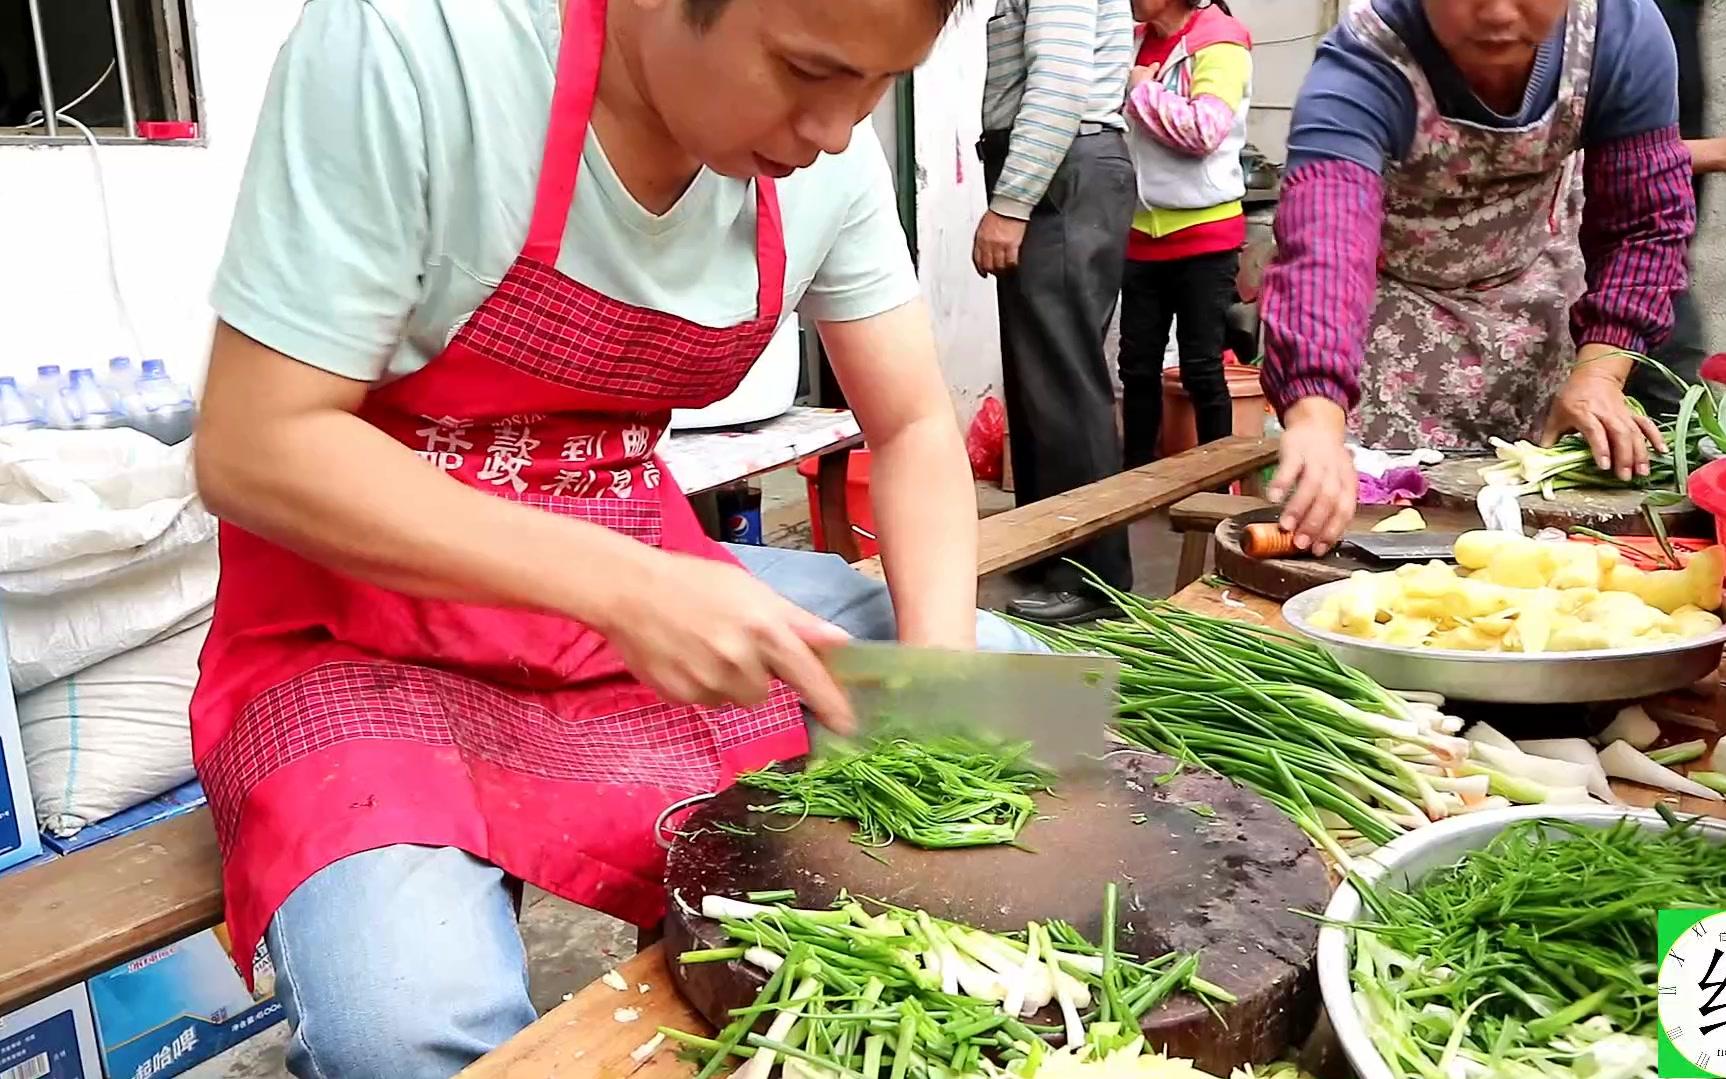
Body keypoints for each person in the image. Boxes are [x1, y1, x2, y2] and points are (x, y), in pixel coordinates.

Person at [191, 0, 1045, 1072]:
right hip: (360, 627)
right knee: (404, 1026)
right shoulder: (416, 47)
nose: (835, 131)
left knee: (1027, 701)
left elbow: (916, 424)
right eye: (804, 70)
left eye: (876, 89)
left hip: (632, 576)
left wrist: (936, 687)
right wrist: (624, 588)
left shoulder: (825, 156)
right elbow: (251, 446)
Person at [1258, 0, 1696, 553]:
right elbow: (1325, 245)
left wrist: (1601, 375)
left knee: (1530, 554)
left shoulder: (1618, 31)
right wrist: (1317, 418)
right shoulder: (1367, 60)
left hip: (1533, 313)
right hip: (1385, 334)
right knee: (1384, 552)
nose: (1494, 11)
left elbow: (1644, 223)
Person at [976, 0, 1138, 625]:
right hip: (1063, 168)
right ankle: (1051, 549)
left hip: (1063, 171)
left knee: (1066, 385)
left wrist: (1013, 202)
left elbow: (1059, 83)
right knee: (1043, 381)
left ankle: (1095, 579)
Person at [1117, 0, 1254, 467]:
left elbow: (1205, 130)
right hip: (1139, 232)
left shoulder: (1220, 40)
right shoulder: (1133, 40)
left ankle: (1217, 485)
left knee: (1201, 368)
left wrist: (1141, 93)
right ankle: (1133, 484)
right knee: (1136, 370)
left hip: (1205, 235)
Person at [1626, 0, 1717, 416]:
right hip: (1611, 257)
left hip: (1665, 257)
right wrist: (1715, 153)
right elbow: (1584, 152)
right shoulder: (1611, 20)